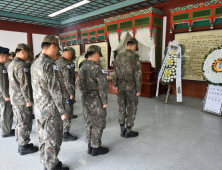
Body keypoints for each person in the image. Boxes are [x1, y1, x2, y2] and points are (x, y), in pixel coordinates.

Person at [31, 35, 69, 170]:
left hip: (39, 108)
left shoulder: (35, 63)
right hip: (51, 110)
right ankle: (52, 165)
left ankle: (45, 160)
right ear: (53, 46)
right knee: (54, 138)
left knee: (42, 137)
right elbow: (55, 89)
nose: (57, 53)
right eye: (57, 49)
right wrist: (63, 111)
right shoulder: (50, 65)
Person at [76, 45, 109, 156]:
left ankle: (90, 145)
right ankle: (96, 148)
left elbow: (78, 84)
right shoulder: (97, 68)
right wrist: (104, 102)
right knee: (98, 123)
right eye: (99, 55)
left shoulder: (82, 67)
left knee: (89, 122)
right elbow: (103, 86)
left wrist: (83, 95)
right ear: (96, 54)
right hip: (96, 100)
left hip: (85, 99)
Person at [8, 43, 38, 155]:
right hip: (22, 100)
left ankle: (22, 143)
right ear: (22, 51)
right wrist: (29, 100)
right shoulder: (22, 65)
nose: (28, 57)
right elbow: (24, 84)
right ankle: (23, 146)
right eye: (27, 54)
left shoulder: (11, 64)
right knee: (24, 123)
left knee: (19, 123)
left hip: (15, 99)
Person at [113, 38, 142, 138]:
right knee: (131, 107)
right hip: (131, 86)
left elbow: (115, 72)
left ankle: (122, 129)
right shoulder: (135, 57)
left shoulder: (118, 56)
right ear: (134, 45)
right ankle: (128, 130)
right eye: (136, 47)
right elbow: (138, 74)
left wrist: (116, 85)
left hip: (120, 86)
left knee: (122, 106)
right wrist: (138, 89)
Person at [55, 46, 77, 142]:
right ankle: (66, 133)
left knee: (61, 111)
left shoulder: (55, 62)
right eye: (71, 56)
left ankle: (61, 130)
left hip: (58, 91)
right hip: (65, 92)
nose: (71, 59)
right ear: (68, 53)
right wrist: (71, 92)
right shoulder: (63, 64)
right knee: (67, 111)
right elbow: (67, 80)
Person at [0, 47, 14, 138]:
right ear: (1, 56)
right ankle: (6, 131)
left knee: (4, 111)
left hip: (2, 93)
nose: (7, 58)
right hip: (3, 94)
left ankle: (6, 129)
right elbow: (3, 83)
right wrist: (6, 95)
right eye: (6, 56)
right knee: (6, 112)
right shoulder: (1, 68)